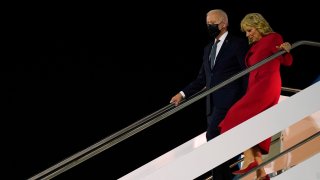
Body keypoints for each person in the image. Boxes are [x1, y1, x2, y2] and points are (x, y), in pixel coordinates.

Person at [170, 9, 249, 180]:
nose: (209, 26)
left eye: (213, 23)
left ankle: (222, 177)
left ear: (224, 23)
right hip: (211, 104)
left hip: (231, 101)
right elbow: (202, 79)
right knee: (217, 142)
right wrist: (182, 94)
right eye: (208, 23)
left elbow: (246, 73)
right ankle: (222, 176)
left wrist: (244, 98)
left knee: (212, 135)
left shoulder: (237, 44)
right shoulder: (208, 49)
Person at [218, 13, 293, 180]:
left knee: (233, 116)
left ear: (259, 26)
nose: (247, 34)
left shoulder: (274, 38)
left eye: (249, 30)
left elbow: (286, 61)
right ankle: (260, 171)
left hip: (267, 85)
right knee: (252, 124)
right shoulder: (253, 46)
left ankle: (251, 162)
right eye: (245, 32)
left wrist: (286, 50)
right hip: (255, 88)